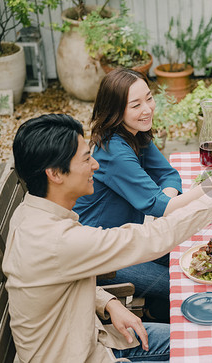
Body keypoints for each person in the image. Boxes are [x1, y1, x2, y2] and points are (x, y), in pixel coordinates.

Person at [3, 114, 212, 362]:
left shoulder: (29, 212)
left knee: (201, 336)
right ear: (55, 173)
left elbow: (54, 280)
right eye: (87, 159)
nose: (95, 166)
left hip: (92, 335)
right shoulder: (57, 240)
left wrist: (108, 302)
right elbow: (150, 238)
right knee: (209, 346)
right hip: (84, 355)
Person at [73, 68, 182, 322]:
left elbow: (170, 176)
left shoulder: (135, 132)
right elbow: (158, 204)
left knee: (191, 250)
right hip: (102, 256)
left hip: (128, 238)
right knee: (180, 281)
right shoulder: (113, 150)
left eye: (149, 98)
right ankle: (160, 317)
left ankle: (156, 311)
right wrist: (164, 203)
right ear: (115, 111)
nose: (147, 109)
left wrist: (163, 200)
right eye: (135, 105)